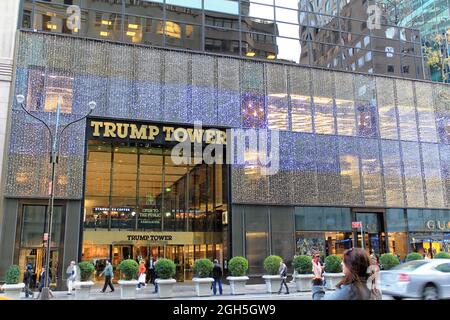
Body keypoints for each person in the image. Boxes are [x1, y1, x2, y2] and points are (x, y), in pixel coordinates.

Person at [312, 247, 381, 300]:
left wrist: (318, 278)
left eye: (344, 261)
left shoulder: (350, 290)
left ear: (351, 266)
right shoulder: (374, 289)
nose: (342, 263)